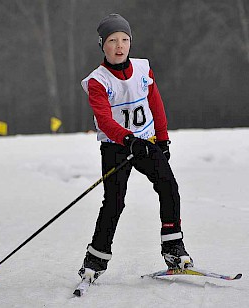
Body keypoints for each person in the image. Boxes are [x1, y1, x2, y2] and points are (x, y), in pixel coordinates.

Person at [78, 13, 193, 282]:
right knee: (114, 202)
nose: (119, 46)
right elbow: (105, 121)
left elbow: (156, 103)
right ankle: (95, 260)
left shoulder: (142, 69)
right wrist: (128, 139)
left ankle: (174, 248)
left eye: (125, 40)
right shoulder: (98, 81)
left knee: (168, 185)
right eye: (113, 40)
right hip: (116, 147)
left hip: (147, 142)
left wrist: (162, 139)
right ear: (102, 45)